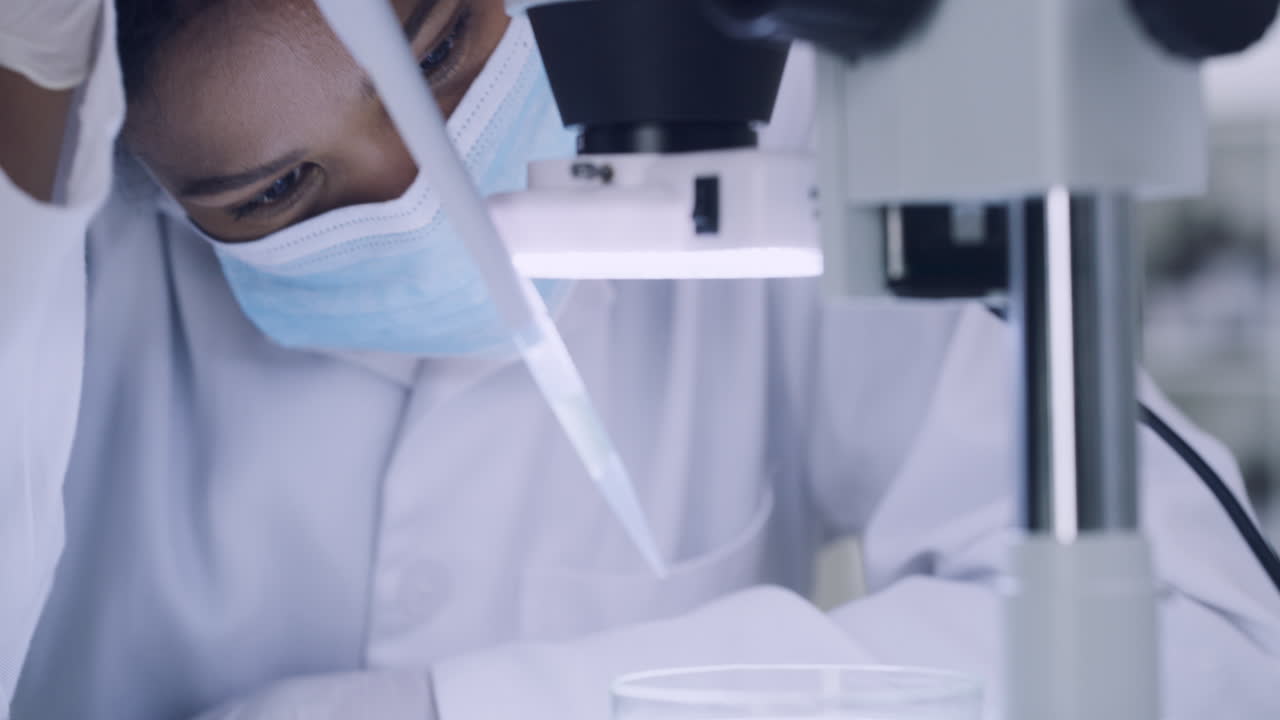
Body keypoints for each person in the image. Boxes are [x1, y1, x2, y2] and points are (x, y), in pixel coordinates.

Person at [2, 1, 1278, 718]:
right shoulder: (59, 245)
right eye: (277, 190)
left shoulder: (776, 133)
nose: (425, 195)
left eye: (440, 54)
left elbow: (1212, 641)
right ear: (144, 175)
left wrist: (469, 712)